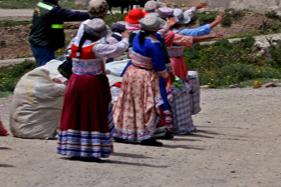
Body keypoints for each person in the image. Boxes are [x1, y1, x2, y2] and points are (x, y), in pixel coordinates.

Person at [57, 19, 129, 160]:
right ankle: (91, 149)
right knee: (92, 114)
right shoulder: (96, 48)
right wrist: (126, 39)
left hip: (75, 81)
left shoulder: (75, 45)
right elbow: (118, 50)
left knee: (76, 113)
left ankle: (74, 147)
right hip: (91, 83)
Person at [110, 14, 172, 146]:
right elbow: (159, 65)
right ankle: (145, 135)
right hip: (145, 76)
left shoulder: (138, 36)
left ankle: (124, 132)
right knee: (145, 106)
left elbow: (158, 35)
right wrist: (167, 76)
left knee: (128, 103)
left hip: (131, 72)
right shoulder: (154, 44)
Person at [159, 9, 223, 134]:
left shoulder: (162, 33)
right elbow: (194, 36)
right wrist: (212, 32)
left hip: (172, 61)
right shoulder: (176, 34)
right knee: (177, 89)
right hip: (175, 63)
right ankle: (175, 121)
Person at [28, 0, 91, 67]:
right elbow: (72, 15)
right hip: (43, 46)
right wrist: (91, 14)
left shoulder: (41, 5)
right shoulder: (53, 10)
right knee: (47, 71)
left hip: (39, 43)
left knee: (47, 69)